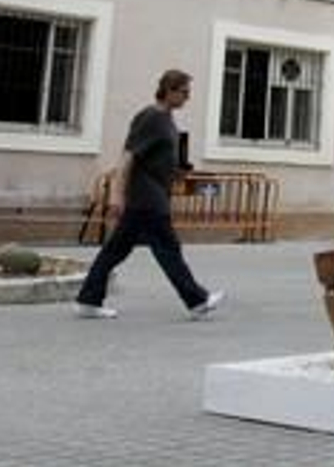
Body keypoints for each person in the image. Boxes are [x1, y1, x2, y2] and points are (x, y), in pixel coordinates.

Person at [74, 69, 224, 320]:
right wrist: (117, 196)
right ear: (169, 90)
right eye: (184, 92)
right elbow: (128, 158)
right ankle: (197, 300)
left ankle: (88, 299)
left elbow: (156, 158)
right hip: (147, 197)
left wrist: (175, 171)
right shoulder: (150, 117)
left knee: (115, 250)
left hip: (151, 193)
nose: (188, 98)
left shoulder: (166, 118)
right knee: (168, 247)